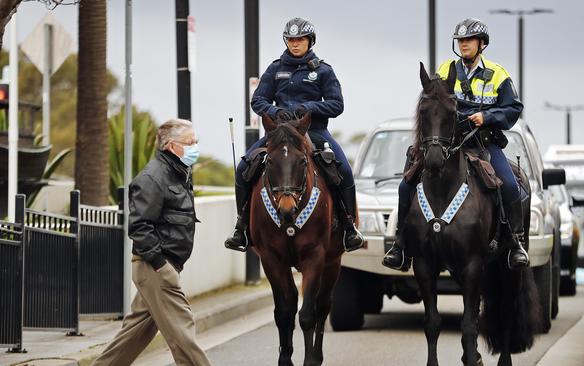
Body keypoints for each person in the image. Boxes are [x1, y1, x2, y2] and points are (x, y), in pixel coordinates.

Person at [382, 18, 528, 271]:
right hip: (449, 145)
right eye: (460, 41)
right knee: (407, 184)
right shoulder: (446, 69)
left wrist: (487, 117)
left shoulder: (498, 74)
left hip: (483, 143)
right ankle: (400, 244)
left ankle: (515, 244)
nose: (464, 45)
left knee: (512, 186)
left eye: (469, 40)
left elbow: (514, 108)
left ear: (481, 44)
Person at [224, 17, 364, 252]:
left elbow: (336, 104)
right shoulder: (275, 68)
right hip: (279, 133)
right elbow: (257, 100)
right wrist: (274, 111)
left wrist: (310, 107)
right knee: (243, 168)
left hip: (314, 132)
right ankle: (241, 228)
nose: (295, 44)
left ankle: (349, 228)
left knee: (344, 169)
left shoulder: (323, 71)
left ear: (310, 41)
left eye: (299, 40)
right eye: (290, 40)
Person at [93, 119, 211, 366]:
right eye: (190, 142)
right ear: (171, 145)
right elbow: (139, 226)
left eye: (196, 142)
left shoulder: (177, 173)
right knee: (182, 331)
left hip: (163, 266)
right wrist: (161, 266)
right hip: (156, 267)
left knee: (133, 336)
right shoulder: (153, 177)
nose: (195, 147)